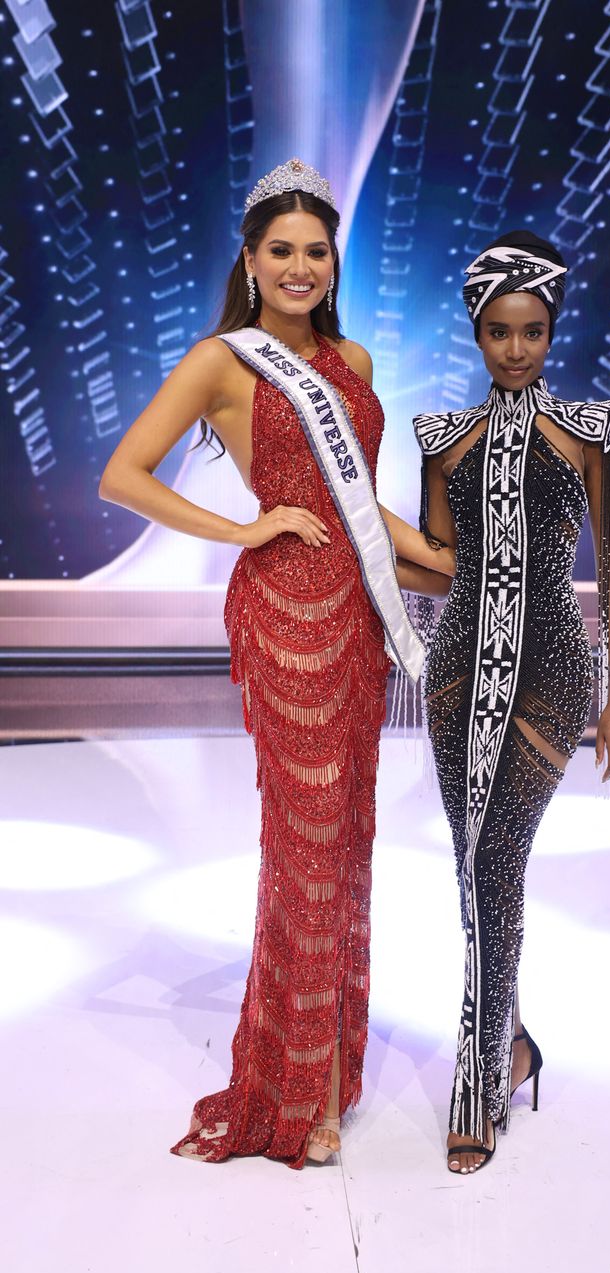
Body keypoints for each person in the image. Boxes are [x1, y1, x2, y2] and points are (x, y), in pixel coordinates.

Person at [99, 159, 451, 1168]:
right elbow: (122, 474)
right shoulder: (223, 361)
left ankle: (327, 1066)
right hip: (284, 617)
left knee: (343, 844)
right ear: (252, 262)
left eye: (316, 251)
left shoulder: (357, 362)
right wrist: (244, 530)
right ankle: (300, 1096)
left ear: (334, 261)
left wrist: (448, 561)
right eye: (281, 251)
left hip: (359, 618)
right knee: (304, 844)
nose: (300, 266)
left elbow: (362, 507)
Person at [414, 232, 610, 1174]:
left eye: (532, 331)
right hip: (457, 670)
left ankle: (476, 1079)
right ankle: (507, 1043)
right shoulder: (441, 439)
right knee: (472, 867)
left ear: (553, 331)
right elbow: (438, 563)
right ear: (475, 333)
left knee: (498, 858)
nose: (515, 349)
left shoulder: (591, 434)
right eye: (499, 333)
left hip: (551, 666)